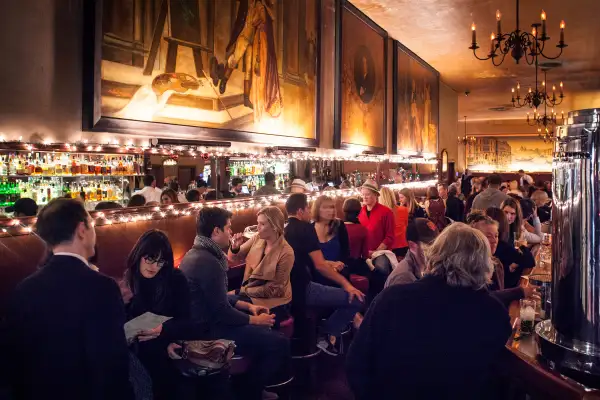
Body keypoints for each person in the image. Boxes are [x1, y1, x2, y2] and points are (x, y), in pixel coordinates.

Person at [347, 223, 511, 400]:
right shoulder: (493, 312)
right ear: (484, 263)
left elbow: (356, 363)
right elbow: (500, 379)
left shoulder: (390, 298)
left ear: (435, 255)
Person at [4, 198, 133, 399]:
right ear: (82, 230)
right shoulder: (102, 288)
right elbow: (112, 366)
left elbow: (14, 362)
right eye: (91, 225)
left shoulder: (24, 289)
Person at [179, 207, 289, 400]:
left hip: (206, 322)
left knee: (266, 332)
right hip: (208, 331)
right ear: (216, 231)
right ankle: (248, 392)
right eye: (228, 227)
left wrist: (249, 307)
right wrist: (255, 320)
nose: (231, 232)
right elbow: (221, 311)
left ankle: (245, 386)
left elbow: (219, 298)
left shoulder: (196, 253)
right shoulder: (208, 262)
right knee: (279, 343)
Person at [123, 230, 207, 399]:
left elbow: (189, 322)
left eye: (160, 261)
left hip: (171, 345)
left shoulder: (175, 279)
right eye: (150, 259)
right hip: (140, 351)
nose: (154, 266)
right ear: (139, 255)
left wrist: (163, 330)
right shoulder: (129, 280)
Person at [284, 193, 364, 356]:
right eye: (307, 209)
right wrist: (347, 285)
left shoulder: (284, 230)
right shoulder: (306, 228)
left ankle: (336, 328)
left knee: (335, 283)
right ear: (301, 211)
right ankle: (327, 332)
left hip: (287, 290)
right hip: (304, 288)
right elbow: (319, 265)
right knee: (357, 298)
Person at [228, 206, 294, 327]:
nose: (258, 227)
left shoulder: (286, 252)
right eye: (257, 223)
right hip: (252, 294)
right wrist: (235, 247)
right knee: (226, 304)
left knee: (233, 311)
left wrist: (240, 291)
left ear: (275, 226)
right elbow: (233, 258)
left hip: (275, 301)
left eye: (262, 224)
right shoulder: (257, 238)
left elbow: (274, 290)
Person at [468, 213, 537, 307]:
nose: (494, 241)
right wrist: (520, 292)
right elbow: (482, 299)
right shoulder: (471, 264)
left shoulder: (495, 261)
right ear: (475, 238)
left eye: (496, 236)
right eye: (488, 236)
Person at [358, 180, 396, 297]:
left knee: (381, 270)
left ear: (375, 195)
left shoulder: (386, 212)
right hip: (364, 253)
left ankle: (383, 297)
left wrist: (376, 251)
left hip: (381, 252)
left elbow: (389, 236)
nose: (364, 197)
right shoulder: (360, 213)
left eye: (367, 194)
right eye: (363, 194)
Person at [486, 207, 536, 289]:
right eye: (506, 212)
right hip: (504, 290)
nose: (509, 216)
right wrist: (522, 246)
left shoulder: (512, 234)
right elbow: (530, 261)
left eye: (512, 213)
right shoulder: (501, 245)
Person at [385, 218, 439, 288]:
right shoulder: (403, 279)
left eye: (437, 244)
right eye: (430, 245)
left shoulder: (425, 267)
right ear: (412, 246)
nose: (436, 250)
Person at [311, 195, 351, 286]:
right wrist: (328, 264)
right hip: (317, 278)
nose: (330, 210)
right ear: (317, 209)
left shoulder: (339, 225)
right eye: (325, 207)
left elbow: (346, 251)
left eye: (332, 207)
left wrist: (340, 264)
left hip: (339, 273)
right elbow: (308, 259)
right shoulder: (309, 229)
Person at [379, 187, 409, 257]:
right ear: (392, 196)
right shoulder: (404, 209)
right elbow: (406, 225)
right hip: (402, 244)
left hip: (388, 247)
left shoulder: (379, 213)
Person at [342, 198, 369, 275]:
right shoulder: (362, 229)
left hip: (340, 266)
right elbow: (365, 255)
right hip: (356, 266)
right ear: (359, 212)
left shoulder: (337, 227)